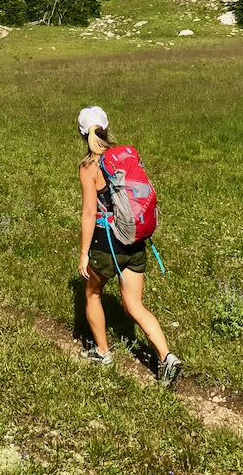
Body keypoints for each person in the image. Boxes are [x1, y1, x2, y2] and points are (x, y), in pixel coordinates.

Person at [76, 106, 182, 387]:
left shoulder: (88, 167)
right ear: (107, 128)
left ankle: (103, 353)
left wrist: (84, 253)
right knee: (134, 305)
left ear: (81, 134)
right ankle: (166, 356)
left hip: (106, 243)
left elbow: (89, 212)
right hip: (135, 240)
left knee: (92, 295)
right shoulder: (125, 156)